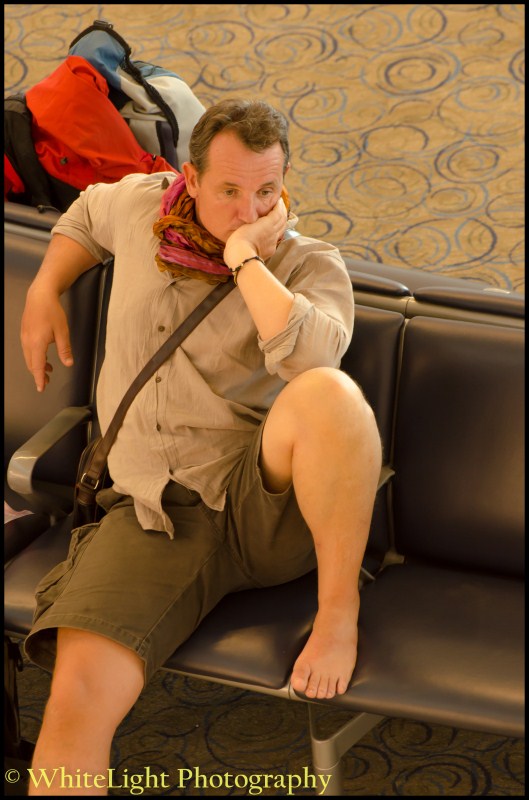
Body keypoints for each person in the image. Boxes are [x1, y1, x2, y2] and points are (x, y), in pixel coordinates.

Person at [20, 98, 382, 795]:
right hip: (151, 514)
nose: (250, 209)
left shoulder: (309, 265)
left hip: (261, 507)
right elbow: (86, 214)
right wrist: (46, 286)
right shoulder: (141, 208)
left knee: (328, 394)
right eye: (229, 190)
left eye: (267, 191)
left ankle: (339, 614)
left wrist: (244, 258)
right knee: (74, 706)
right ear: (189, 177)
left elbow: (311, 359)